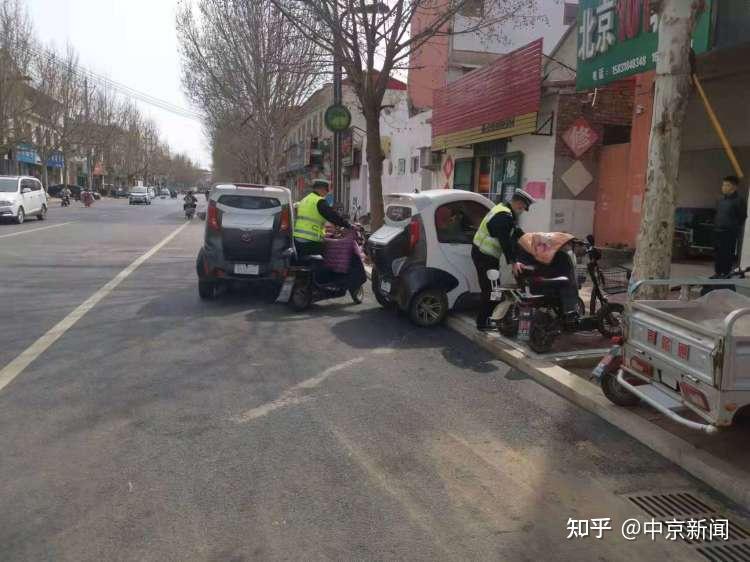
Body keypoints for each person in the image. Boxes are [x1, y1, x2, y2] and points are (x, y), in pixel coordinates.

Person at [472, 189, 535, 330]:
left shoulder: (505, 212)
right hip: (484, 256)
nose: (522, 211)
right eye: (522, 208)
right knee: (492, 291)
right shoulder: (503, 216)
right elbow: (505, 241)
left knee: (493, 290)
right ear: (517, 203)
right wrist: (513, 262)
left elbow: (516, 232)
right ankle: (483, 322)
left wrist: (533, 242)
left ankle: (486, 320)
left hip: (485, 256)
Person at [294, 179, 352, 257]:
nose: (327, 193)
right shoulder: (319, 201)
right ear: (321, 189)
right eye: (326, 190)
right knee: (331, 252)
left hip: (298, 239)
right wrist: (347, 225)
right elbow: (332, 215)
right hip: (310, 240)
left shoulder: (305, 199)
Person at [714, 175, 747, 276]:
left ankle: (725, 273)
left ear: (734, 187)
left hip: (730, 232)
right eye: (723, 185)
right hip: (718, 230)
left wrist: (734, 227)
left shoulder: (739, 200)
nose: (724, 187)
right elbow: (718, 213)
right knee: (717, 254)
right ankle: (717, 273)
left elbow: (742, 216)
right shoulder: (720, 199)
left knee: (727, 254)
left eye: (727, 185)